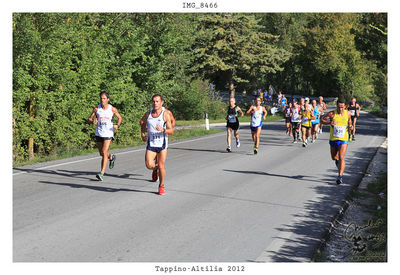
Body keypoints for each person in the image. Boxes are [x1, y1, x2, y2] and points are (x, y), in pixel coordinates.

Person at [140, 94, 174, 195]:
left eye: (157, 101)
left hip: (162, 144)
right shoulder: (148, 113)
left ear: (161, 102)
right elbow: (142, 122)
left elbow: (171, 131)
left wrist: (163, 130)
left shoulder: (165, 114)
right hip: (151, 143)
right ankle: (155, 169)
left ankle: (161, 185)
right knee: (149, 165)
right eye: (153, 101)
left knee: (161, 166)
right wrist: (142, 134)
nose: (155, 103)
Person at [88, 92, 122, 181]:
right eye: (101, 98)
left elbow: (120, 118)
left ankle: (102, 173)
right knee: (102, 153)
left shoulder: (112, 109)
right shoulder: (96, 109)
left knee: (104, 151)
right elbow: (90, 118)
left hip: (108, 133)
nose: (102, 100)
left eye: (104, 98)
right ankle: (111, 157)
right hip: (99, 133)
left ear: (108, 99)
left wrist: (117, 125)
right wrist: (93, 121)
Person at [321, 98, 353, 185]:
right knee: (334, 157)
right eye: (339, 107)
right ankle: (339, 165)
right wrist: (329, 123)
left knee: (341, 157)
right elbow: (322, 120)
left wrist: (350, 126)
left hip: (343, 139)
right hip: (333, 139)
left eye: (342, 107)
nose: (340, 109)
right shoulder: (332, 114)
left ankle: (340, 176)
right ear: (336, 106)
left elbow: (350, 122)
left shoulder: (348, 113)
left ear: (345, 106)